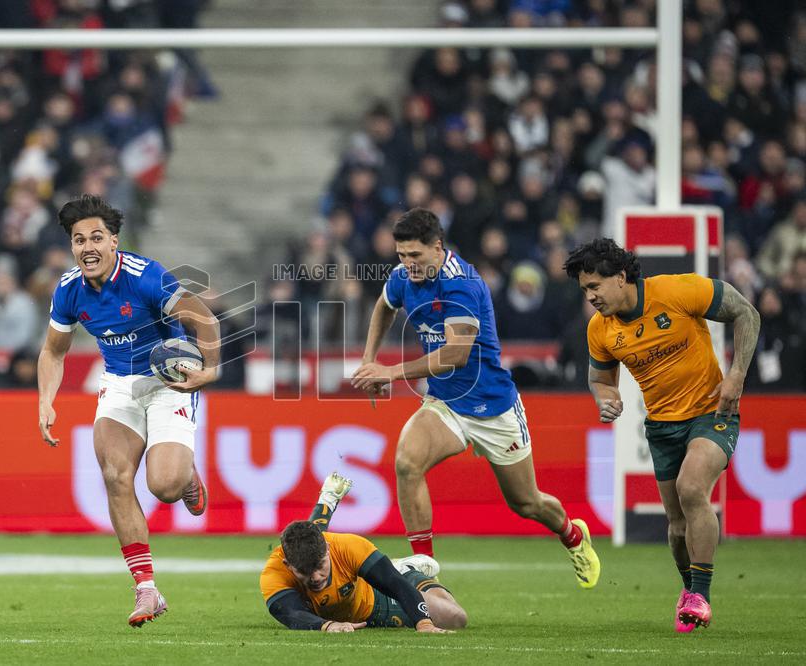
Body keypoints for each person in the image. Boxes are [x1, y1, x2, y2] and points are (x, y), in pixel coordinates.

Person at [350, 208, 600, 590]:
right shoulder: (403, 276)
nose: (408, 264)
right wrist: (369, 360)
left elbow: (456, 354)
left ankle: (573, 535)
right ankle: (424, 571)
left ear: (438, 247)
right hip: (446, 403)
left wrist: (390, 372)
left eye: (415, 255)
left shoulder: (461, 284)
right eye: (401, 255)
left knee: (526, 503)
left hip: (492, 405)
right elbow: (384, 305)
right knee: (407, 462)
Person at [37, 194, 220, 627]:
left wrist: (210, 370)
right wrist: (45, 400)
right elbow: (53, 351)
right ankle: (146, 588)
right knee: (115, 475)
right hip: (119, 383)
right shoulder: (68, 289)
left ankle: (184, 476)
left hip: (169, 382)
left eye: (96, 237)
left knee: (165, 487)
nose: (88, 247)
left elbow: (205, 319)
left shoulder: (144, 276)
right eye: (79, 240)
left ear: (113, 241)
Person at [563, 238, 761, 632]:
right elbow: (600, 379)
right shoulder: (600, 329)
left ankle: (701, 596)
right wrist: (606, 398)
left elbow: (747, 312)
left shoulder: (677, 290)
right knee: (677, 527)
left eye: (595, 286)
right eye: (584, 290)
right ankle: (690, 591)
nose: (590, 297)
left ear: (621, 277)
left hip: (712, 413)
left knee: (692, 488)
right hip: (662, 426)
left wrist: (736, 375)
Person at [260, 473, 467, 633]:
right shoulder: (275, 572)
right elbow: (292, 613)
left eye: (320, 565)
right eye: (305, 571)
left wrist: (424, 624)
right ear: (288, 565)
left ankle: (407, 570)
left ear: (328, 550)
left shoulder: (348, 546)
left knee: (456, 618)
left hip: (373, 599)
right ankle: (328, 501)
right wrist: (327, 625)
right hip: (347, 604)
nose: (315, 577)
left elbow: (395, 584)